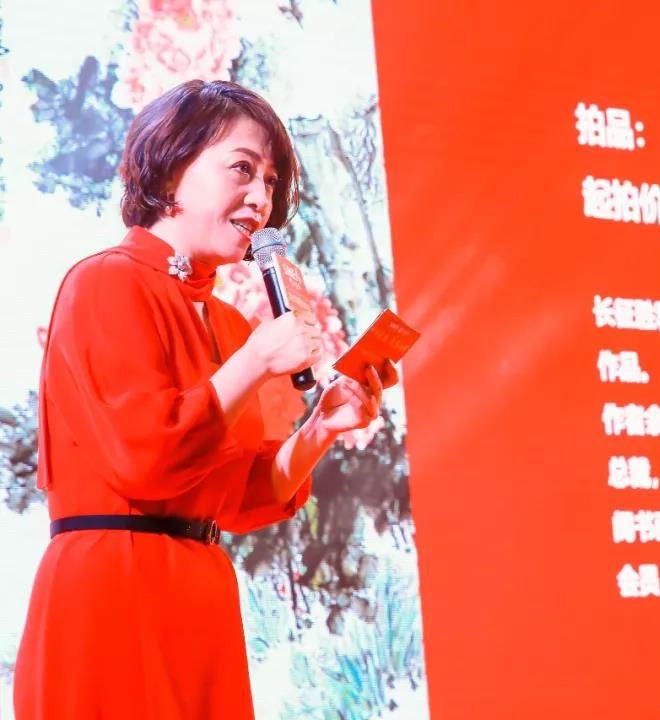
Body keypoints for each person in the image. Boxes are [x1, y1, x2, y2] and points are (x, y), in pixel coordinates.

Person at [13, 79, 396, 719]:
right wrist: (256, 361)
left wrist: (321, 429)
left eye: (270, 182)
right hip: (113, 586)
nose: (261, 199)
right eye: (242, 169)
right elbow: (145, 457)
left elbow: (243, 498)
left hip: (199, 590)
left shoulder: (229, 322)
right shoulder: (105, 280)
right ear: (170, 169)